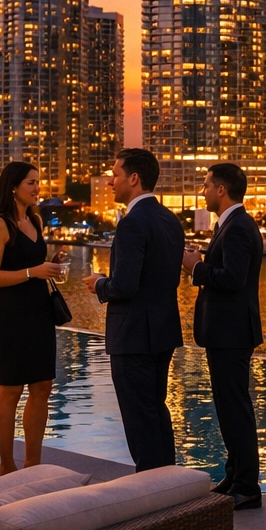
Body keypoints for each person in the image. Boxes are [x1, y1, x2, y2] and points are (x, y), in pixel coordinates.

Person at [84, 148, 185, 471]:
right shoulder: (170, 220)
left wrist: (100, 283)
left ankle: (149, 489)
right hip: (163, 331)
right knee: (156, 409)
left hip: (133, 335)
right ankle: (168, 483)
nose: (111, 182)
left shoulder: (132, 224)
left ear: (134, 178)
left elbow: (125, 285)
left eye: (115, 174)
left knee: (139, 418)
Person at [182, 163, 263, 510]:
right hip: (225, 332)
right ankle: (235, 475)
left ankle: (247, 486)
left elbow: (233, 279)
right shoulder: (230, 225)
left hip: (231, 332)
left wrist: (194, 267)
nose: (202, 192)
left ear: (221, 190)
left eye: (205, 186)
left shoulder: (237, 228)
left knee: (235, 407)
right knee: (229, 407)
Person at [0, 161, 68, 475]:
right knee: (11, 389)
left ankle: (33, 463)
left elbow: (32, 265)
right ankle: (5, 465)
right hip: (13, 316)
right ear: (14, 186)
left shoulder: (35, 219)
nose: (37, 188)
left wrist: (50, 265)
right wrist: (34, 271)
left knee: (42, 385)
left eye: (37, 182)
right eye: (31, 182)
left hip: (40, 312)